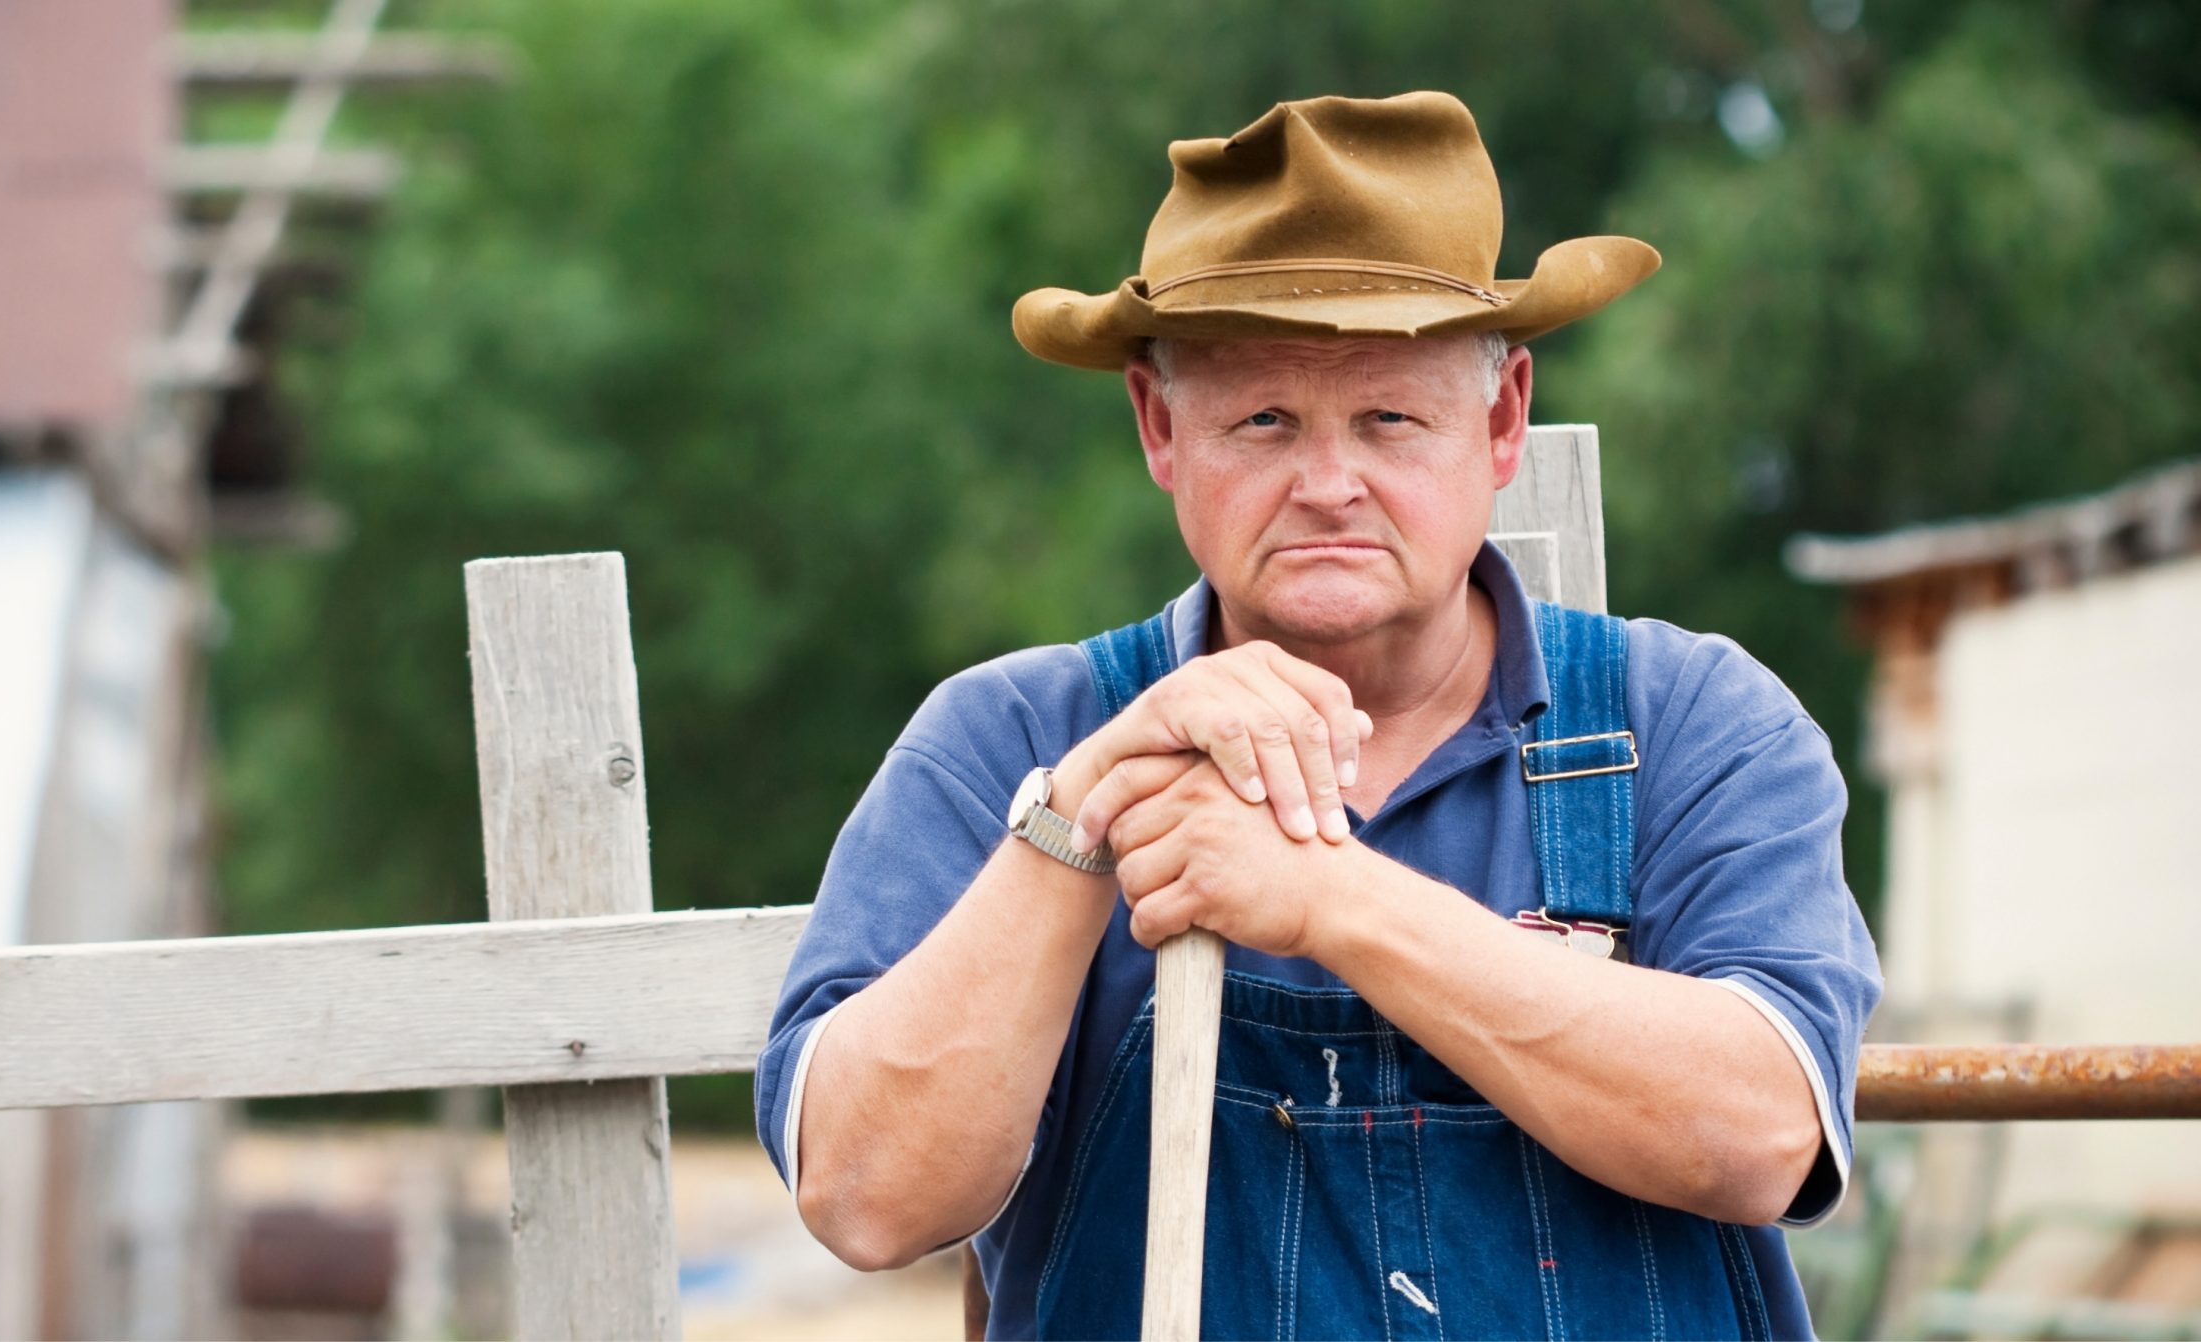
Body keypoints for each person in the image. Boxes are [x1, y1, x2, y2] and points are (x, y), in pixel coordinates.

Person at [754, 91, 1881, 1340]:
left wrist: (1329, 898)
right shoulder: (1013, 742)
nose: (1329, 484)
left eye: (1389, 417)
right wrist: (1079, 826)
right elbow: (865, 1199)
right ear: (1159, 426)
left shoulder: (1690, 725)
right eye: (1264, 421)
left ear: (1501, 420)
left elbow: (1760, 1136)